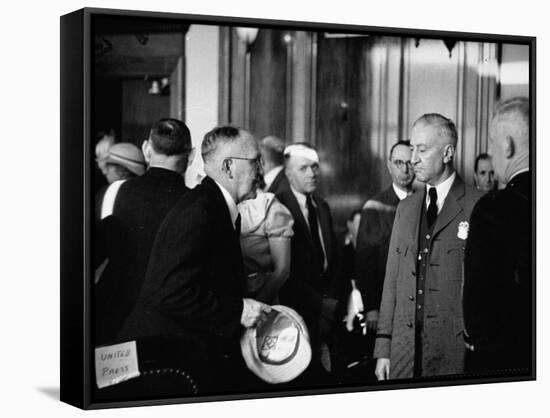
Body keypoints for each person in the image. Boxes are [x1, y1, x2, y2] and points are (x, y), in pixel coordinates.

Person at [118, 126, 271, 393]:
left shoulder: (212, 205)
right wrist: (239, 310)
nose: (262, 170)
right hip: (169, 366)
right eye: (256, 161)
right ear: (229, 167)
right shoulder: (200, 211)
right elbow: (169, 293)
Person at [374, 114, 482, 380]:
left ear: (448, 153)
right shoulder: (406, 208)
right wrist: (383, 349)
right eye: (412, 149)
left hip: (453, 353)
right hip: (404, 351)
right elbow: (392, 280)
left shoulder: (478, 206)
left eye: (422, 150)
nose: (413, 158)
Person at [94, 118, 195, 345]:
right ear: (191, 155)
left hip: (114, 318)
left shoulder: (115, 192)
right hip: (170, 327)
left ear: (146, 149)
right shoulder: (197, 202)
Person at [463, 97, 531, 375]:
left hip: (503, 360)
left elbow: (477, 306)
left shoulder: (494, 208)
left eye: (491, 142)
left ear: (507, 146)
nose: (490, 151)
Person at [274, 142, 339, 376]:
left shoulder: (322, 206)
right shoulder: (276, 205)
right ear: (289, 173)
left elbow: (333, 260)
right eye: (303, 168)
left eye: (314, 167)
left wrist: (330, 301)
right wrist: (321, 304)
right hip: (295, 312)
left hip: (327, 312)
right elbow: (282, 270)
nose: (312, 173)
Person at [355, 140, 415, 345]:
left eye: (410, 162)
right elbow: (364, 262)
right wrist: (371, 307)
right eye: (399, 162)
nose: (405, 169)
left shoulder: (426, 203)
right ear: (389, 165)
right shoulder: (374, 207)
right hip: (384, 304)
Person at [237, 178, 294, 304]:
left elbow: (282, 271)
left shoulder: (268, 206)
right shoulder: (212, 200)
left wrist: (256, 307)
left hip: (261, 299)